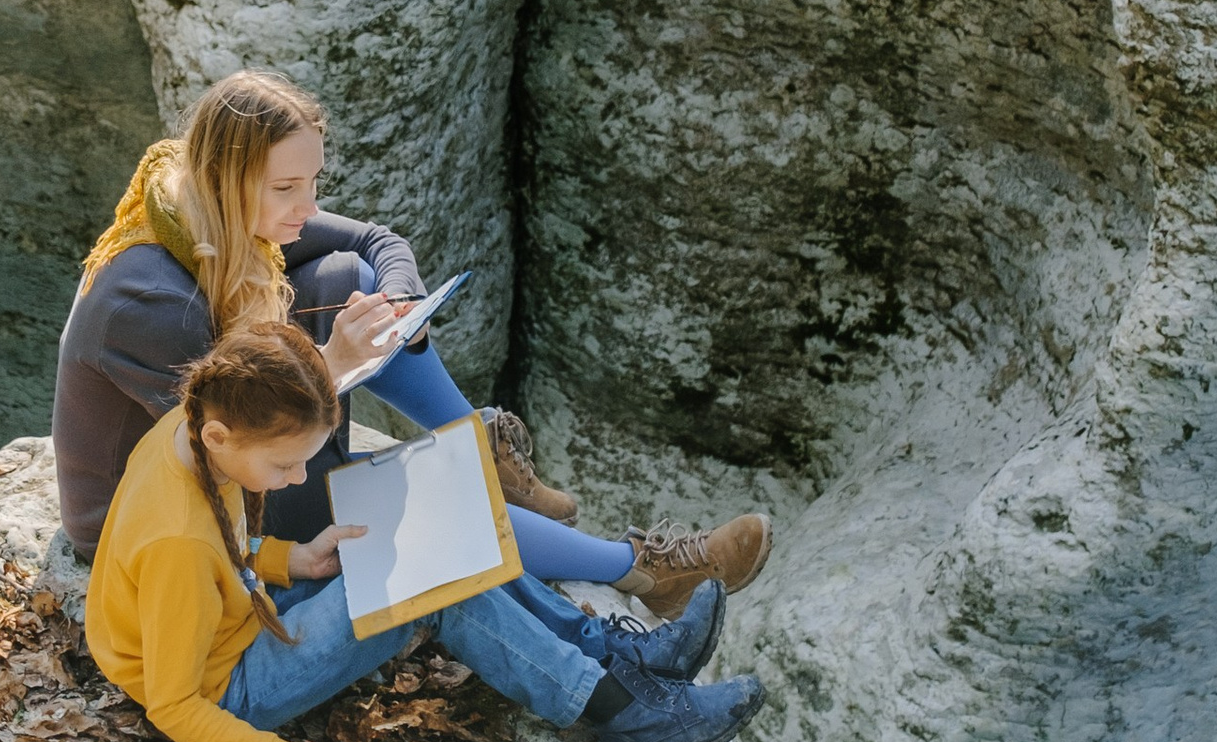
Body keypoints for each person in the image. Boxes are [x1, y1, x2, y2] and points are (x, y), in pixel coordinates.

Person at [52, 70, 772, 626]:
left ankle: (471, 442)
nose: (307, 208)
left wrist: (398, 302)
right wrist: (331, 368)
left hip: (236, 433)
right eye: (288, 188)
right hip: (161, 515)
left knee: (352, 279)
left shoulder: (208, 214)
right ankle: (640, 571)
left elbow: (376, 243)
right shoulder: (153, 301)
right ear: (224, 177)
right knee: (416, 493)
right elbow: (228, 450)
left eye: (314, 181)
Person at [84, 321, 764, 742]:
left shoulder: (195, 425)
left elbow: (224, 549)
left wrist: (291, 559)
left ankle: (622, 660)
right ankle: (625, 715)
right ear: (218, 435)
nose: (296, 480)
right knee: (436, 586)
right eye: (284, 463)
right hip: (231, 683)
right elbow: (174, 706)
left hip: (249, 612)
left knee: (440, 524)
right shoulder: (175, 540)